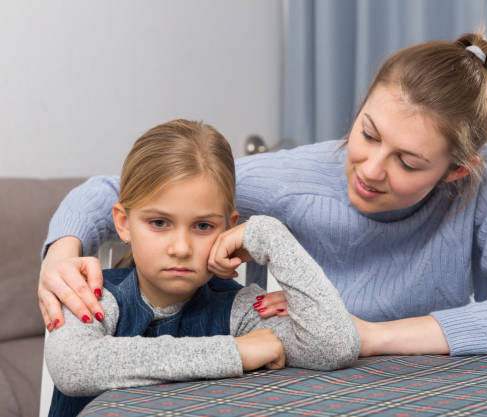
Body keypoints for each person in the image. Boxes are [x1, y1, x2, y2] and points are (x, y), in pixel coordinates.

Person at [39, 32, 487, 358]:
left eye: (408, 161)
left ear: (455, 171)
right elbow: (110, 192)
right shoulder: (296, 178)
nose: (370, 169)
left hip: (437, 387)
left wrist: (371, 336)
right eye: (368, 132)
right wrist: (60, 253)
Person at [44, 120, 360, 417]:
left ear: (229, 228)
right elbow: (73, 367)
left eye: (203, 226)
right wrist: (234, 353)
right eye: (159, 223)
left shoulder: (238, 309)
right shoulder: (90, 295)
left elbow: (335, 347)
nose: (181, 248)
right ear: (124, 224)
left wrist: (269, 235)